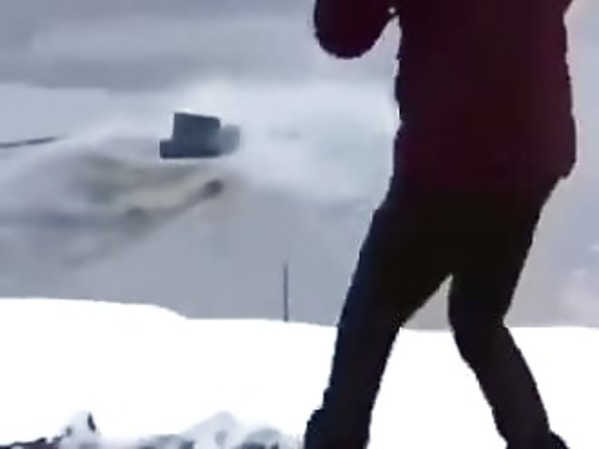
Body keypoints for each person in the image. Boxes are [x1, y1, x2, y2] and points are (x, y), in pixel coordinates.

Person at [303, 0, 577, 448]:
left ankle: (336, 440)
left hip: (452, 153)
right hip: (533, 151)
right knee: (477, 317)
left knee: (374, 309)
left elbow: (344, 34)